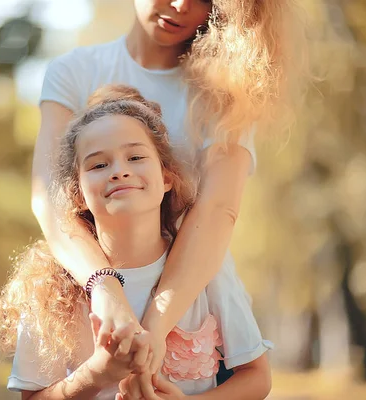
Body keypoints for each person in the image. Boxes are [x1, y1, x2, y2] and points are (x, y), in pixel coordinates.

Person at [31, 0, 306, 396]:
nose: (179, 4)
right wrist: (106, 291)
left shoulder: (226, 91)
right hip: (87, 280)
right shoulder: (72, 72)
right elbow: (51, 198)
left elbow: (217, 210)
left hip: (195, 300)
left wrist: (155, 330)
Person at [0, 85, 273, 399]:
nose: (120, 171)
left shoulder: (209, 267)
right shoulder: (52, 285)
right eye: (99, 165)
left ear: (167, 178)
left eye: (136, 157)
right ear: (78, 195)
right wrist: (96, 374)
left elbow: (257, 378)